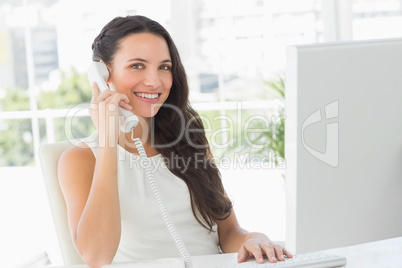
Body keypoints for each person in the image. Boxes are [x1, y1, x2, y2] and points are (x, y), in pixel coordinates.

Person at [58, 15, 292, 268]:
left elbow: (227, 232)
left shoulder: (188, 139)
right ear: (103, 74)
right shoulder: (79, 159)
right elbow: (96, 257)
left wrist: (253, 238)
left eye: (164, 67)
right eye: (137, 65)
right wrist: (107, 142)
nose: (155, 81)